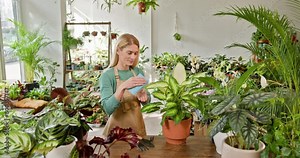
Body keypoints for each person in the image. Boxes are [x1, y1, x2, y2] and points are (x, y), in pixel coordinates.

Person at [99, 33, 150, 138]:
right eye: (129, 53)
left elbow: (147, 103)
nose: (133, 57)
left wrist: (144, 97)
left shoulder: (137, 72)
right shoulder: (107, 75)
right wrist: (122, 87)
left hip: (137, 131)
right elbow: (108, 109)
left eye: (136, 53)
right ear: (118, 51)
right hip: (116, 135)